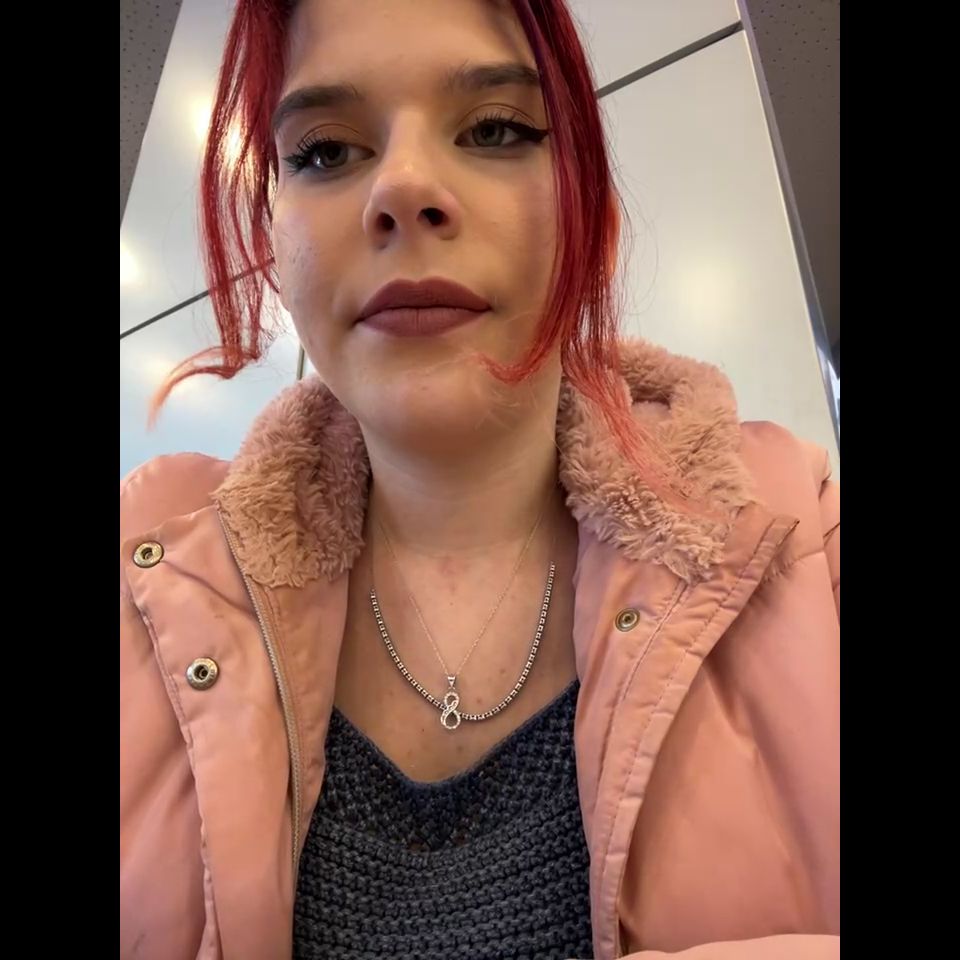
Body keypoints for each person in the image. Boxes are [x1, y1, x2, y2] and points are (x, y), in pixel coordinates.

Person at [119, 1, 840, 957]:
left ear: (588, 206)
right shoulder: (145, 590)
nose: (404, 188)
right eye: (325, 150)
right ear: (275, 239)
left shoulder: (805, 544)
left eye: (496, 129)